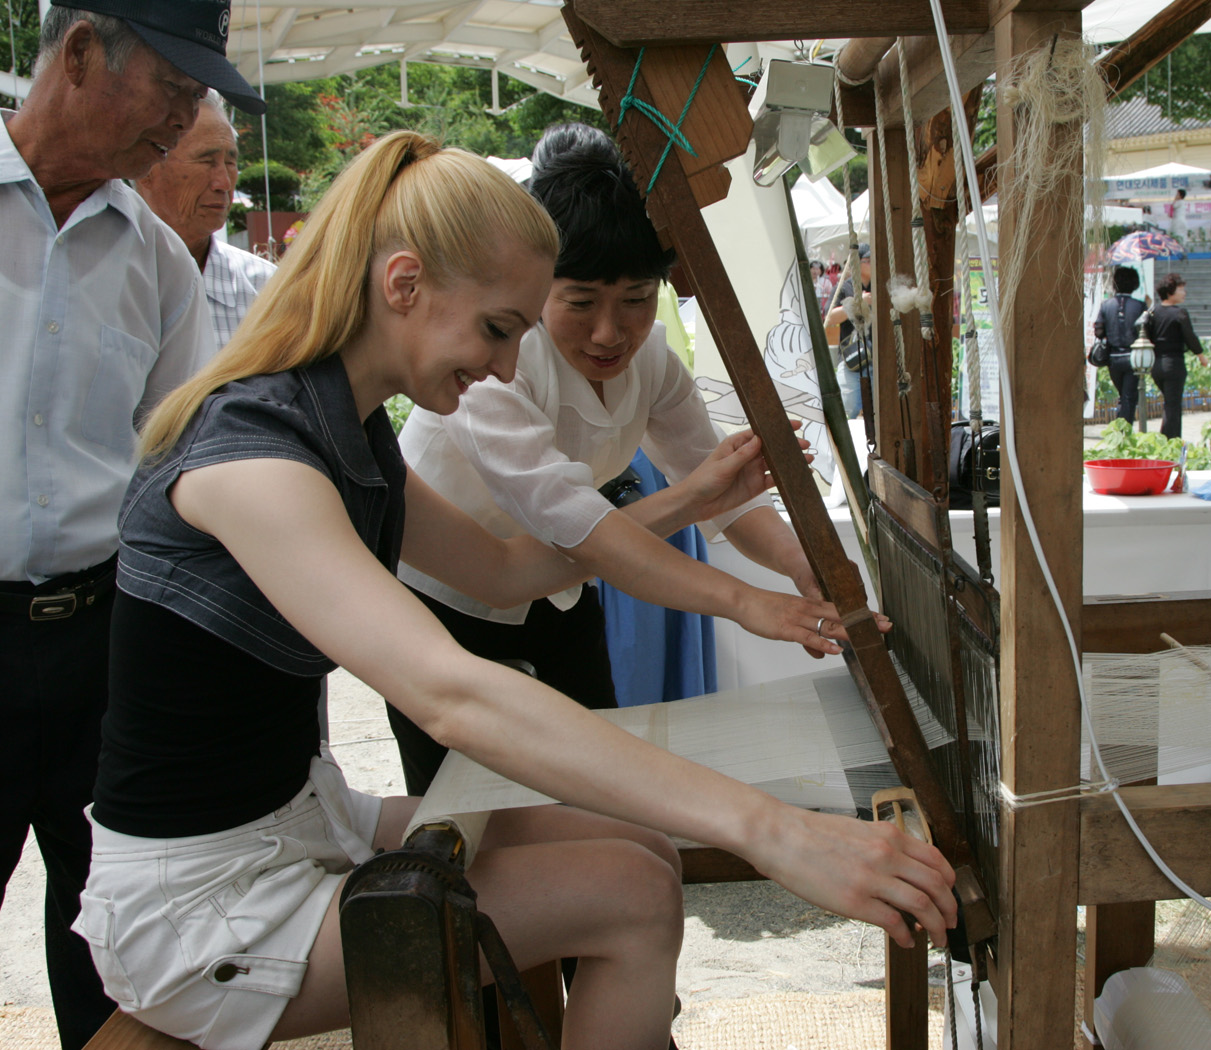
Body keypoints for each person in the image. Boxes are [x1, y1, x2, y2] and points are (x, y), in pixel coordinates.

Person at [76, 130, 956, 1050]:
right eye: (500, 330)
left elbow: (506, 570)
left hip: (305, 823)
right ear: (402, 284)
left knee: (642, 841)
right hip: (206, 907)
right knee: (633, 895)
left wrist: (719, 533)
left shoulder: (348, 430)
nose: (506, 367)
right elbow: (451, 693)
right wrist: (769, 828)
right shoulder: (257, 457)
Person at [391, 122, 853, 792]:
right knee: (464, 807)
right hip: (439, 604)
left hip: (557, 590)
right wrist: (741, 596)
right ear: (531, 285)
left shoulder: (654, 363)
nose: (611, 333)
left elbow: (726, 490)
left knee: (595, 785)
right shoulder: (494, 366)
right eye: (580, 303)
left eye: (636, 300)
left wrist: (802, 566)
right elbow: (588, 524)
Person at [1, 4, 263, 1048]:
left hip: (99, 638)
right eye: (171, 85)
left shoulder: (157, 265)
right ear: (78, 53)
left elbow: (180, 471)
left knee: (117, 940)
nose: (185, 117)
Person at [136, 89, 277, 348]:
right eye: (206, 161)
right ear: (147, 167)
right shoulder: (101, 280)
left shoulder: (269, 293)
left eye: (231, 163)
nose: (224, 183)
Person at [1144, 273, 1210, 440]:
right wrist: (1201, 356)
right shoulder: (1180, 313)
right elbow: (1190, 337)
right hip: (1174, 364)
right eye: (1181, 289)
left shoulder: (1153, 312)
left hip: (1157, 364)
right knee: (1173, 405)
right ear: (1170, 292)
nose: (1184, 293)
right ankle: (1169, 441)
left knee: (1169, 403)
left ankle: (1169, 439)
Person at [824, 243, 874, 419]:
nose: (872, 263)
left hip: (878, 360)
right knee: (849, 410)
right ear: (858, 263)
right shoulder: (845, 287)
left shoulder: (880, 287)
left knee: (879, 413)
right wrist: (857, 303)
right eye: (868, 260)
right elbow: (829, 318)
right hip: (852, 360)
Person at [1093, 266, 1145, 425]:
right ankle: (1123, 431)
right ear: (1135, 284)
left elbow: (1098, 331)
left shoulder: (1106, 305)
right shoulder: (1140, 306)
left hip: (1113, 358)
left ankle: (1121, 428)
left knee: (1124, 395)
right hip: (1133, 358)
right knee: (1129, 396)